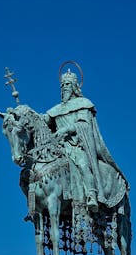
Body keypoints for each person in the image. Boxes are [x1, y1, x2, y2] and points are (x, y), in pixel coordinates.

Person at [46, 69, 126, 211]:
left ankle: (91, 194)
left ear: (75, 87)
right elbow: (44, 121)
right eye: (62, 85)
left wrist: (66, 129)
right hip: (59, 148)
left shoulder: (83, 103)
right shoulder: (55, 109)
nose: (64, 87)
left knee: (83, 164)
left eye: (68, 84)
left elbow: (84, 124)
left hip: (76, 146)